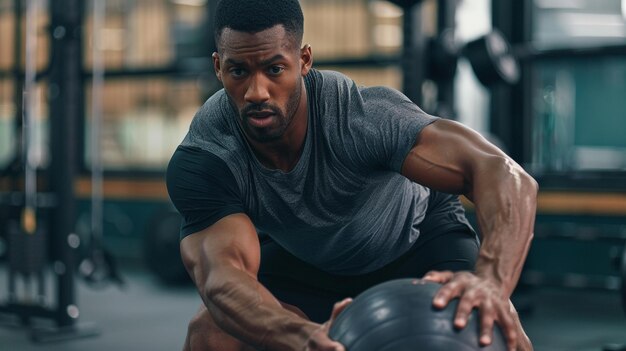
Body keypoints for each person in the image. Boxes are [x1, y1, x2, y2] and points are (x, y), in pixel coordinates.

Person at [165, 0, 537, 350]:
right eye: (239, 71)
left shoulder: (361, 117)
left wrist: (491, 283)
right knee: (212, 335)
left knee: (493, 327)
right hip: (306, 259)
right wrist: (300, 334)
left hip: (414, 240)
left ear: (304, 60)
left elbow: (505, 175)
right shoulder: (208, 155)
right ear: (218, 67)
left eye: (274, 69)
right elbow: (222, 278)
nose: (256, 92)